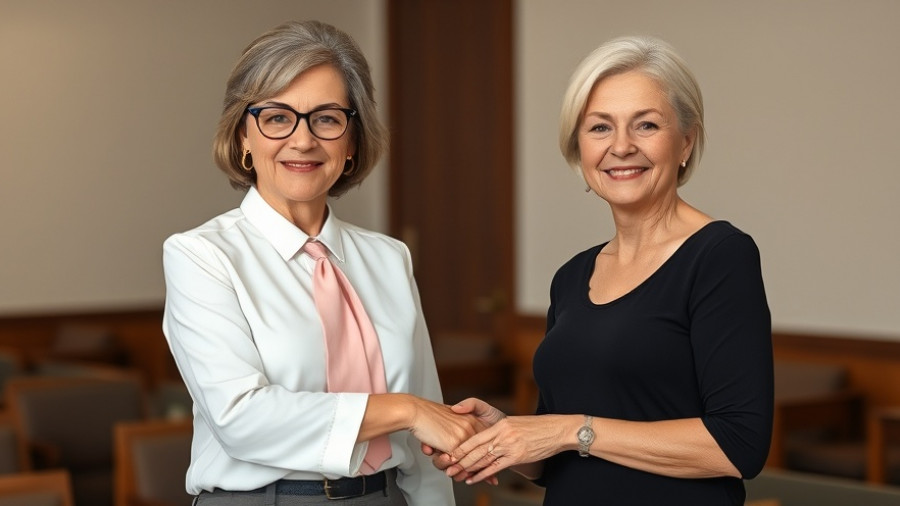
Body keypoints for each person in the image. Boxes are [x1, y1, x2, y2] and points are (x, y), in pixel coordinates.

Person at [431, 35, 773, 505]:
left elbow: (740, 445)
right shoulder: (572, 277)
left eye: (646, 125)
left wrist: (569, 430)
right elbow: (556, 459)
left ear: (686, 142)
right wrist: (509, 435)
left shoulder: (720, 256)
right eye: (599, 128)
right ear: (579, 149)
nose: (621, 146)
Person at [162, 20, 481, 505]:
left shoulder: (389, 258)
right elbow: (242, 420)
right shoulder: (201, 256)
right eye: (276, 117)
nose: (303, 140)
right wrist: (405, 410)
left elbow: (426, 435)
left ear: (352, 142)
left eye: (327, 119)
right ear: (243, 135)